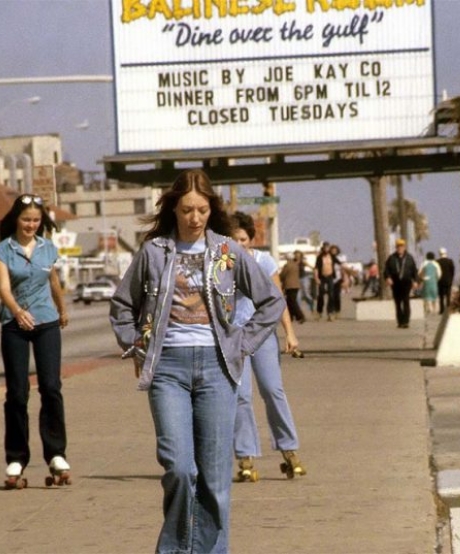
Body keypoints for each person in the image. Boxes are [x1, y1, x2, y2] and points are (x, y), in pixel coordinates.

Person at [109, 169, 284, 554]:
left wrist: (243, 344)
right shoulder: (154, 252)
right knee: (179, 468)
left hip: (217, 368)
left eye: (202, 209)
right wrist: (136, 345)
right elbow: (122, 304)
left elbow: (272, 301)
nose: (194, 218)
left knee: (216, 478)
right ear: (174, 209)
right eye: (187, 209)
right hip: (167, 369)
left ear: (211, 209)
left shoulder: (227, 251)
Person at [0, 194, 71, 489]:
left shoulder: (48, 248)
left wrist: (62, 310)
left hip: (46, 321)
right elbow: (3, 288)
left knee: (51, 387)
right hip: (15, 324)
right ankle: (16, 458)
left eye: (36, 220)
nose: (31, 225)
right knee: (18, 393)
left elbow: (53, 282)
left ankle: (56, 454)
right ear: (16, 219)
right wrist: (17, 312)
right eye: (26, 220)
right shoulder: (2, 250)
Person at [229, 211, 306, 484]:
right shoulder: (220, 265)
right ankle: (246, 457)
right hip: (234, 338)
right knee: (241, 396)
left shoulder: (264, 262)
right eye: (233, 240)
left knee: (273, 390)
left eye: (243, 239)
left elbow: (278, 299)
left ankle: (289, 450)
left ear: (251, 240)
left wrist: (290, 333)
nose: (239, 245)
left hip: (262, 336)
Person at [383, 238, 418, 328]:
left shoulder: (409, 258)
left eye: (401, 246)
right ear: (396, 247)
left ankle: (406, 321)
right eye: (398, 246)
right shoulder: (392, 258)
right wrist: (387, 278)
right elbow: (386, 270)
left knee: (406, 301)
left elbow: (414, 270)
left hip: (406, 283)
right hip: (396, 283)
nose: (400, 248)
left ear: (404, 247)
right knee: (398, 303)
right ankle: (400, 321)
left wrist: (415, 281)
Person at [313, 242, 341, 321]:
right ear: (323, 248)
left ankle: (330, 313)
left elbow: (340, 264)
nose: (326, 249)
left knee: (331, 295)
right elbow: (316, 268)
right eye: (325, 247)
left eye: (328, 248)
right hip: (322, 277)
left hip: (330, 277)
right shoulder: (320, 257)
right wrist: (316, 278)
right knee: (321, 295)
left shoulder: (332, 256)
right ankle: (319, 312)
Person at [279, 253, 307, 325]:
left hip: (289, 286)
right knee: (289, 302)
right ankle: (290, 317)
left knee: (292, 302)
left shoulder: (287, 265)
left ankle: (300, 316)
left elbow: (282, 275)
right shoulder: (295, 265)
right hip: (296, 285)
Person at [437, 247, 455, 314]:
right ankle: (448, 309)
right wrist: (451, 279)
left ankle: (441, 310)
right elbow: (452, 271)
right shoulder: (450, 261)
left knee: (441, 296)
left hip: (440, 281)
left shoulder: (437, 262)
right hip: (448, 281)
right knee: (448, 295)